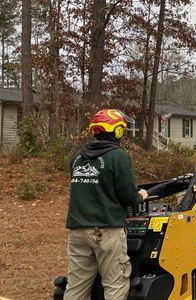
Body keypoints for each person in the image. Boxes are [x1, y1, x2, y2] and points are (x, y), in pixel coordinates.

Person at [64, 109, 148, 300]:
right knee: (115, 283)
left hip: (77, 231)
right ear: (117, 131)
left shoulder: (77, 158)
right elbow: (129, 197)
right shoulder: (118, 157)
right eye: (122, 130)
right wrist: (141, 195)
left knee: (76, 286)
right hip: (106, 230)